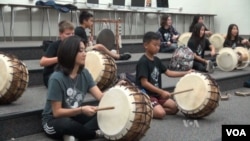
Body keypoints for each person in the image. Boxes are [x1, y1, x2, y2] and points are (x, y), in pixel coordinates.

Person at [41, 36, 106, 140]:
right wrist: (81, 110)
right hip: (53, 121)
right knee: (68, 124)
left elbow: (101, 96)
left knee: (103, 114)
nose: (85, 54)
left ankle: (75, 135)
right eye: (81, 51)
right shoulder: (56, 78)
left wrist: (117, 91)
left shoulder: (85, 73)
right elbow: (57, 112)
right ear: (70, 52)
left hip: (73, 116)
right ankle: (93, 134)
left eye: (85, 50)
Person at [135, 31, 193, 119]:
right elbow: (144, 83)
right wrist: (161, 92)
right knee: (161, 113)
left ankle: (154, 108)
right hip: (146, 95)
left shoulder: (157, 60)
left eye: (159, 45)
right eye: (155, 45)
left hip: (157, 94)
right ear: (146, 45)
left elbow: (169, 72)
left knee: (175, 108)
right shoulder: (143, 62)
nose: (158, 48)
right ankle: (142, 109)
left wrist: (186, 73)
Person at [40, 20, 74, 88]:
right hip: (52, 75)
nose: (71, 36)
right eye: (68, 34)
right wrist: (60, 58)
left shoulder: (74, 45)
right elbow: (42, 62)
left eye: (73, 34)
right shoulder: (54, 45)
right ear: (60, 34)